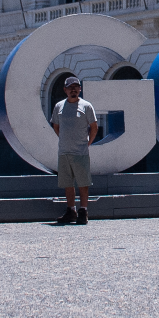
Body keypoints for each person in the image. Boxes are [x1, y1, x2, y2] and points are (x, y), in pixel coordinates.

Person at [49, 76, 97, 225]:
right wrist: (64, 139)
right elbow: (56, 126)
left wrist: (87, 143)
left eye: (76, 87)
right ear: (65, 90)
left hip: (80, 152)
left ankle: (83, 211)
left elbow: (94, 127)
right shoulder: (59, 106)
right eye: (70, 88)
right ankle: (71, 211)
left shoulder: (86, 106)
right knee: (67, 183)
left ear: (80, 89)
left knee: (83, 183)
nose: (73, 90)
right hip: (64, 152)